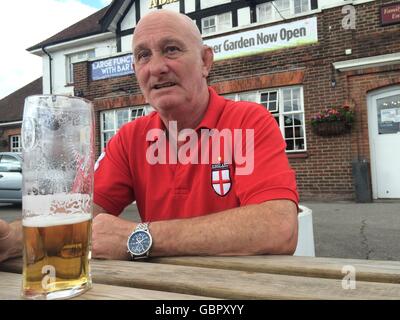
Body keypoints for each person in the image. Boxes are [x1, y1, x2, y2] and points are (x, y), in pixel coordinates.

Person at [0, 10, 298, 263]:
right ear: (135, 69)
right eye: (144, 55)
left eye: (171, 49)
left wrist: (138, 237)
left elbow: (278, 227)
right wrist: (11, 238)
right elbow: (81, 213)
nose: (156, 67)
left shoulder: (248, 121)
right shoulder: (131, 138)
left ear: (206, 62)